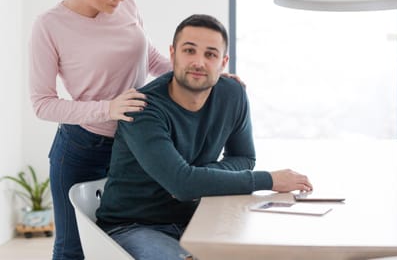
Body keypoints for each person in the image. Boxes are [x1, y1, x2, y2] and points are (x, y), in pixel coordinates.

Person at [96, 14, 313, 260]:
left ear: (223, 62)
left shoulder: (233, 95)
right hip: (134, 226)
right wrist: (269, 180)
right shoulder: (142, 108)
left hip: (200, 219)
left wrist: (200, 174)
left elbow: (244, 156)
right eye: (189, 50)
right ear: (173, 53)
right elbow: (183, 185)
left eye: (210, 54)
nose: (199, 62)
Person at [28, 0, 171, 259]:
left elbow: (148, 57)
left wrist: (197, 77)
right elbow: (43, 103)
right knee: (72, 249)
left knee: (128, 242)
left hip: (134, 143)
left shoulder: (125, 1)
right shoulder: (50, 26)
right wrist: (107, 108)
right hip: (82, 150)